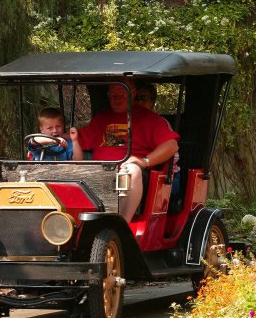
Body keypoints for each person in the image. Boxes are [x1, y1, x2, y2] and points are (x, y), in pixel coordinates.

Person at [76, 79, 179, 222]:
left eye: (122, 94)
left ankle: (122, 224)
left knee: (132, 170)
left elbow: (171, 145)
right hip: (99, 173)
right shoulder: (102, 118)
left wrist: (144, 161)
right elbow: (76, 138)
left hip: (131, 174)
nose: (117, 99)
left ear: (133, 93)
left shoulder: (149, 119)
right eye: (113, 95)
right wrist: (51, 137)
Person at [135, 82, 181, 196]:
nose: (139, 102)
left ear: (152, 102)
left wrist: (143, 162)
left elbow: (171, 152)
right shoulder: (130, 123)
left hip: (165, 177)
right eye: (136, 98)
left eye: (143, 98)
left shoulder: (159, 123)